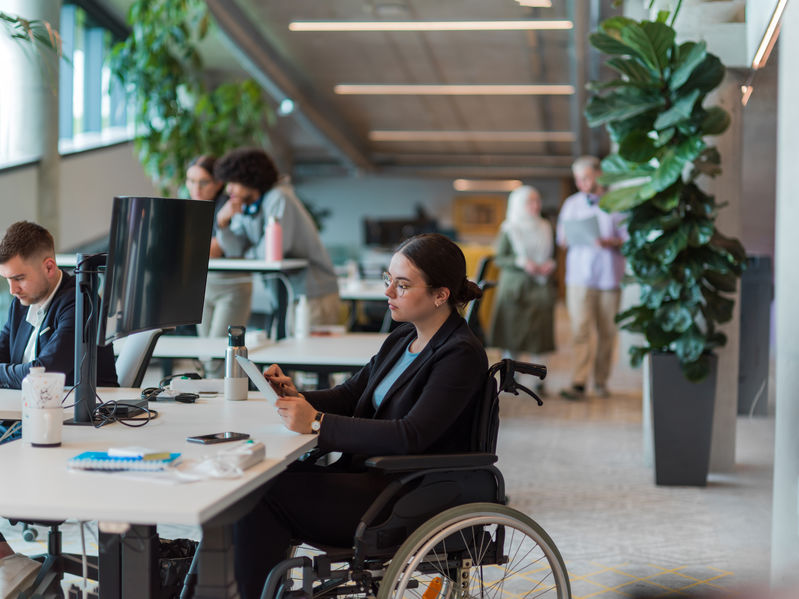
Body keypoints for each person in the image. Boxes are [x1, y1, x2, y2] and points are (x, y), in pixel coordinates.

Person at [232, 233, 487, 599]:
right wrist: (295, 395)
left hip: (403, 493)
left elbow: (410, 435)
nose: (388, 293)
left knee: (263, 497)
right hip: (367, 478)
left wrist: (317, 423)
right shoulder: (403, 338)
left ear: (440, 294)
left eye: (402, 285)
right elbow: (351, 395)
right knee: (256, 478)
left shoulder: (460, 354)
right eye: (388, 281)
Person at [213, 148, 341, 329]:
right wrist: (223, 224)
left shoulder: (279, 198)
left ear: (250, 178)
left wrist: (247, 253)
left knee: (306, 356)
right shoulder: (244, 205)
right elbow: (235, 251)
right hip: (287, 295)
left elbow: (272, 252)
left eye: (234, 182)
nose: (228, 189)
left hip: (314, 294)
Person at [0, 221, 118, 389]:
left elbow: (43, 374)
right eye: (7, 279)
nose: (12, 290)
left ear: (49, 268)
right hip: (31, 407)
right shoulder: (20, 305)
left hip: (80, 412)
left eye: (19, 278)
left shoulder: (81, 302)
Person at [556, 156, 627, 400]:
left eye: (585, 177)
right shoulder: (572, 204)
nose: (581, 183)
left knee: (607, 332)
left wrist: (611, 241)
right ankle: (578, 381)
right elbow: (562, 239)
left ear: (598, 175)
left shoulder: (617, 202)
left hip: (609, 277)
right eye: (578, 179)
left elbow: (628, 239)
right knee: (580, 330)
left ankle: (601, 381)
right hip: (579, 277)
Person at [186, 155, 253, 377]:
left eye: (203, 182)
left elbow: (215, 250)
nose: (196, 188)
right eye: (190, 181)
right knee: (206, 357)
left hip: (230, 288)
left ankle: (230, 405)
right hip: (202, 287)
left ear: (218, 183)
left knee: (219, 358)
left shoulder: (229, 206)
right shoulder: (193, 207)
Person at [488, 185, 556, 392]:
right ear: (518, 204)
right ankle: (510, 378)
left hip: (540, 286)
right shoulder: (510, 228)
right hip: (515, 288)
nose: (535, 206)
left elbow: (552, 255)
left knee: (539, 335)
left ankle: (538, 380)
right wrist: (521, 262)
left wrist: (550, 264)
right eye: (530, 202)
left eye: (537, 201)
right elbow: (499, 258)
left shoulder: (545, 226)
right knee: (512, 334)